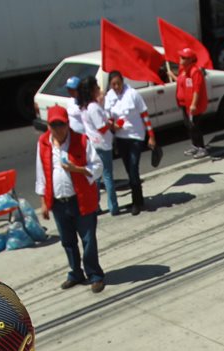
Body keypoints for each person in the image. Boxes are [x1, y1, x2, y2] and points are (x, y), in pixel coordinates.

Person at [36, 105, 106, 293]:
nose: (58, 129)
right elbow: (41, 173)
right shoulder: (43, 143)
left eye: (61, 125)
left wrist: (78, 169)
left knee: (88, 240)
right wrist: (44, 202)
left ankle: (95, 275)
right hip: (59, 203)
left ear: (68, 124)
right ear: (48, 126)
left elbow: (98, 167)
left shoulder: (81, 140)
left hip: (81, 200)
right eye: (54, 125)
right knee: (67, 241)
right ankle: (76, 272)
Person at [104, 70, 157, 215]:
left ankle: (136, 202)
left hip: (135, 137)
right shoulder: (109, 97)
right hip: (121, 138)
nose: (116, 87)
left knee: (133, 167)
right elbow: (109, 116)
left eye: (118, 83)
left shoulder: (133, 94)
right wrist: (112, 125)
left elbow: (144, 115)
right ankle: (139, 198)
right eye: (113, 84)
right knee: (129, 169)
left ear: (123, 82)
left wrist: (151, 136)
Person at [77, 76, 119, 216]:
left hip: (93, 144)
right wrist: (110, 123)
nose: (99, 90)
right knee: (107, 176)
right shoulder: (93, 107)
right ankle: (113, 206)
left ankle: (95, 206)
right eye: (97, 88)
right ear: (91, 91)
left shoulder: (84, 107)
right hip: (102, 144)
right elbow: (101, 127)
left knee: (96, 177)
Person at [175, 48, 210, 159]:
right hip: (185, 104)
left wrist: (193, 104)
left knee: (195, 127)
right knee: (189, 126)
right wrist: (172, 75)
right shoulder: (184, 70)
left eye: (183, 57)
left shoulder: (195, 72)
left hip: (193, 106)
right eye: (181, 57)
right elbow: (182, 82)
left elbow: (196, 89)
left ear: (190, 60)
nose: (180, 59)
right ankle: (195, 146)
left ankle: (202, 148)